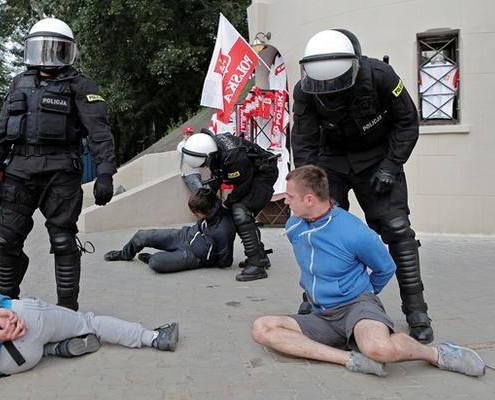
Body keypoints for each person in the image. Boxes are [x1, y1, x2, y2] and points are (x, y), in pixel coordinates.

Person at [251, 165, 485, 378]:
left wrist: (366, 292)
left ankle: (439, 354)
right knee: (263, 328)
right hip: (322, 312)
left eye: (290, 197)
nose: (286, 202)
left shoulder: (354, 231)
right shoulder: (294, 227)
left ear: (309, 199)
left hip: (356, 307)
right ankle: (352, 359)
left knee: (379, 348)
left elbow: (386, 267)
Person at [290, 29, 433, 343]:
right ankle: (314, 297)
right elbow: (302, 141)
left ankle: (416, 309)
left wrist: (391, 166)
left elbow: (407, 122)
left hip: (378, 159)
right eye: (322, 85)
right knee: (318, 225)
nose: (329, 90)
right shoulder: (304, 91)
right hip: (331, 161)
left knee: (396, 228)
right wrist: (309, 185)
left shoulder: (381, 77)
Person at [0, 18, 116, 311]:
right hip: (19, 171)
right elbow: (1, 131)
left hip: (60, 173)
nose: (47, 55)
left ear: (67, 52)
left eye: (55, 49)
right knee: (5, 241)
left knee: (64, 242)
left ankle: (68, 312)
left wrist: (105, 173)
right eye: (42, 48)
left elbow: (99, 132)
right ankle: (4, 306)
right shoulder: (19, 82)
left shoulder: (80, 84)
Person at [0, 272, 179, 388]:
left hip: (10, 359)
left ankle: (52, 350)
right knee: (89, 321)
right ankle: (153, 338)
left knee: (22, 354)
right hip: (21, 317)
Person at [181, 130, 278, 281]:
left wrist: (226, 203)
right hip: (250, 174)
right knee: (239, 212)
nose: (206, 166)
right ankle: (260, 256)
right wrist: (209, 194)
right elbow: (219, 175)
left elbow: (242, 187)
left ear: (209, 155)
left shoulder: (233, 157)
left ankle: (257, 265)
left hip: (264, 174)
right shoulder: (214, 148)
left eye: (205, 163)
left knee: (241, 213)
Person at [103, 187, 236, 273]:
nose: (194, 215)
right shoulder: (209, 208)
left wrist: (207, 260)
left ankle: (151, 258)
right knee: (141, 236)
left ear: (206, 210)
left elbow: (226, 261)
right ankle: (124, 254)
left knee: (156, 262)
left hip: (195, 256)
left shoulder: (224, 229)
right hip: (185, 235)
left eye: (196, 212)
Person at [176, 126, 203, 192]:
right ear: (184, 135)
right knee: (201, 191)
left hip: (197, 172)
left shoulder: (195, 144)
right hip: (188, 173)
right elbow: (188, 154)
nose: (189, 136)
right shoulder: (181, 145)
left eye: (191, 134)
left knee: (200, 193)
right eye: (187, 134)